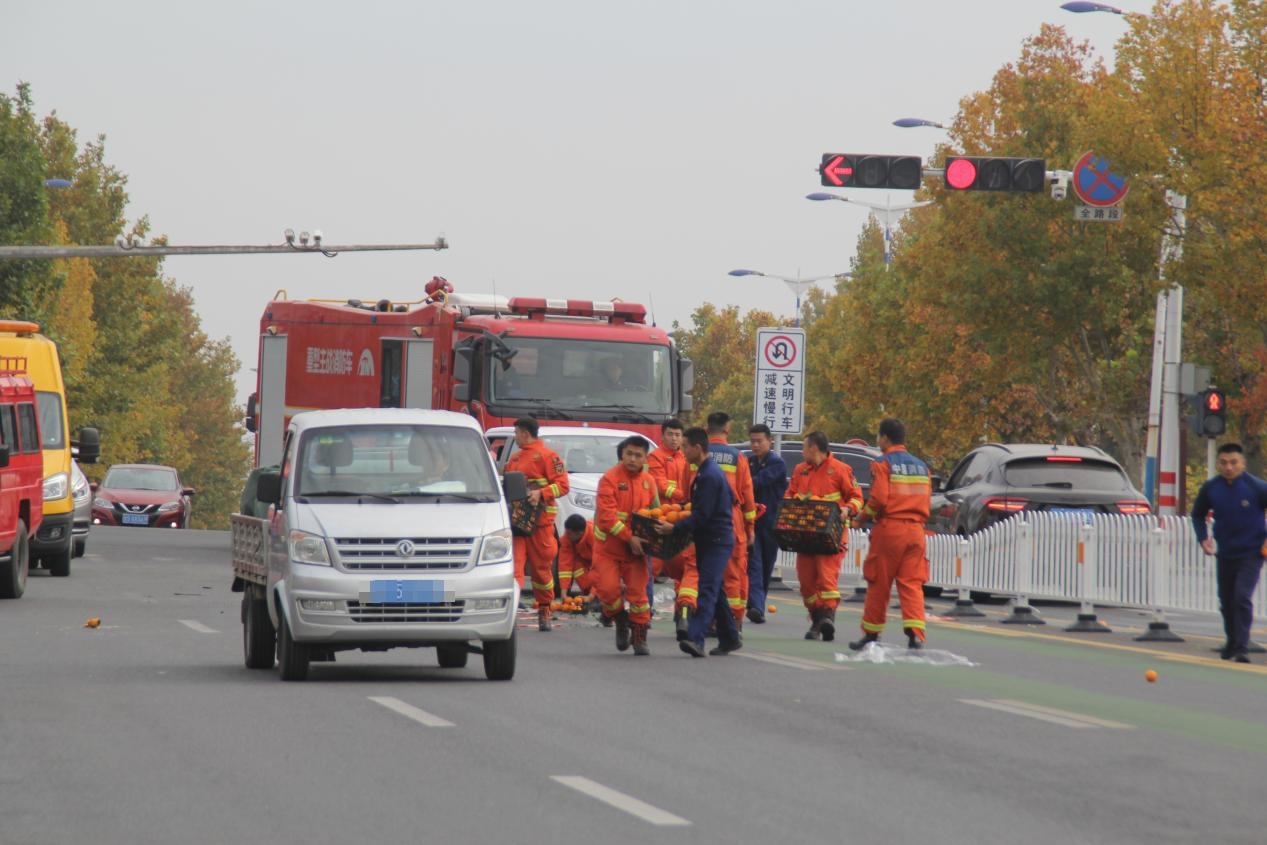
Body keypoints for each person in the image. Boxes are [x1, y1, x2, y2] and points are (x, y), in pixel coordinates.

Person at [656, 427, 741, 657]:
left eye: (685, 446)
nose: (682, 450)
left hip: (717, 540)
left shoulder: (710, 475)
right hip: (708, 539)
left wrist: (674, 528)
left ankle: (696, 639)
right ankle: (730, 638)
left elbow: (702, 515)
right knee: (717, 590)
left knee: (707, 590)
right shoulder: (702, 472)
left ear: (698, 448)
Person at [849, 418, 932, 651]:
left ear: (884, 437)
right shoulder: (921, 466)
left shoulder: (882, 463)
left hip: (891, 530)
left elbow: (878, 499)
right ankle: (916, 636)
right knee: (912, 584)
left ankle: (871, 634)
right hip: (917, 531)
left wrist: (860, 518)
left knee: (878, 582)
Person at [1191, 442, 1267, 663]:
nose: (1229, 467)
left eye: (1233, 462)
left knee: (1241, 596)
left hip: (1252, 552)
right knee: (1226, 599)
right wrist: (1202, 538)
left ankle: (1242, 647)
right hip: (1225, 552)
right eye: (1224, 463)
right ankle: (1232, 641)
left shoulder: (1257, 488)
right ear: (1218, 464)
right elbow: (1198, 514)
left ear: (1242, 463)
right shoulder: (1212, 488)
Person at [786, 431, 864, 641]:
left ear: (814, 448)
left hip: (831, 536)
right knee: (806, 582)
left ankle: (826, 618)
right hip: (805, 534)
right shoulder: (800, 470)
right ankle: (817, 618)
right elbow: (789, 495)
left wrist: (848, 509)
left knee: (826, 579)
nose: (802, 452)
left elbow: (857, 498)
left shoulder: (840, 470)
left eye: (804, 447)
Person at [593, 435, 659, 655]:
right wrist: (629, 537)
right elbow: (606, 516)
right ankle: (621, 620)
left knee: (639, 595)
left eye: (638, 455)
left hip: (637, 551)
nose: (632, 458)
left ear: (645, 458)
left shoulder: (649, 482)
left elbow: (657, 514)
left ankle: (640, 638)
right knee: (608, 591)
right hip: (609, 548)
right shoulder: (609, 479)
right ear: (622, 454)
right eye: (629, 453)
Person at [504, 417, 569, 632]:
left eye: (516, 433)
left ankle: (545, 611)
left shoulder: (550, 457)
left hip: (541, 526)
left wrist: (541, 493)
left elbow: (563, 486)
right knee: (514, 569)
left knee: (542, 572)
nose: (516, 437)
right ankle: (510, 613)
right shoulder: (513, 460)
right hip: (518, 524)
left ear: (524, 432)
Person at [647, 418, 699, 640]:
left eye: (678, 435)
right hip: (664, 514)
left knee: (684, 564)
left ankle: (682, 610)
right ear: (663, 435)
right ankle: (644, 608)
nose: (675, 438)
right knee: (653, 565)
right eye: (671, 434)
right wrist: (683, 496)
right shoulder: (656, 457)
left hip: (682, 514)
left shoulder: (685, 457)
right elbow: (659, 483)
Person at [706, 412, 757, 628]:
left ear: (707, 429)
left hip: (702, 517)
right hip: (731, 519)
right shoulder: (738, 457)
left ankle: (707, 619)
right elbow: (747, 495)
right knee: (734, 572)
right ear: (727, 429)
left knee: (702, 571)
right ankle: (734, 621)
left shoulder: (696, 453)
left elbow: (685, 490)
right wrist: (750, 527)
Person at [746, 424, 788, 623]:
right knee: (754, 564)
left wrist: (742, 481)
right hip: (752, 523)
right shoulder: (750, 462)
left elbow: (756, 482)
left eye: (759, 441)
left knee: (765, 566)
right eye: (752, 441)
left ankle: (757, 604)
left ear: (770, 441)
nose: (755, 445)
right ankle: (755, 605)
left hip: (771, 523)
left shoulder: (776, 463)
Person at [560, 514, 604, 622]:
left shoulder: (594, 536)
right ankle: (589, 595)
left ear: (580, 533)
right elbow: (565, 565)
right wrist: (564, 593)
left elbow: (600, 568)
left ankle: (598, 597)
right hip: (585, 560)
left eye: (569, 533)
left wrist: (592, 595)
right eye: (566, 531)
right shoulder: (567, 538)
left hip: (603, 561)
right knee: (577, 568)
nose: (567, 535)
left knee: (604, 578)